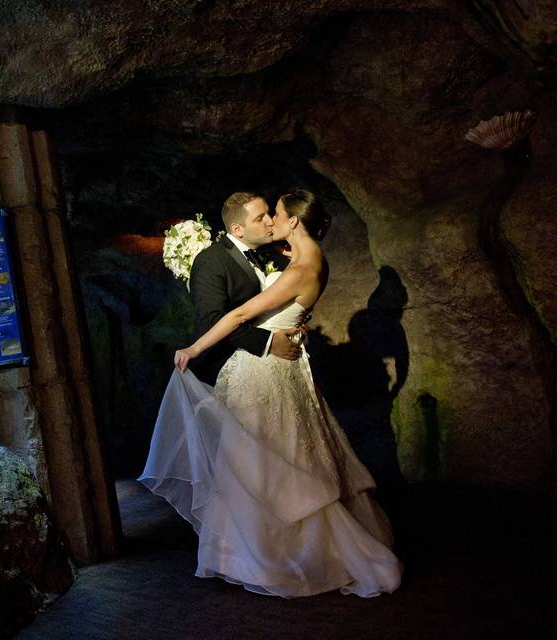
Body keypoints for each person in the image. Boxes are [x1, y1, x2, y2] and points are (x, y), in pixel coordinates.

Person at [139, 189, 402, 598]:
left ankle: (278, 555)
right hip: (274, 369)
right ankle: (249, 551)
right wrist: (273, 336)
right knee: (262, 459)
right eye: (264, 216)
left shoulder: (298, 267)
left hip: (268, 375)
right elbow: (231, 312)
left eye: (274, 214)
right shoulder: (293, 259)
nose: (270, 221)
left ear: (293, 222)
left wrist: (193, 349)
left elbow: (243, 312)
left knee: (270, 459)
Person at [187, 191, 303, 387]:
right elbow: (210, 319)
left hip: (261, 369)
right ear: (237, 229)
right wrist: (268, 341)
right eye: (260, 218)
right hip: (223, 370)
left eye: (269, 213)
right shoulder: (211, 260)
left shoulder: (268, 252)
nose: (270, 221)